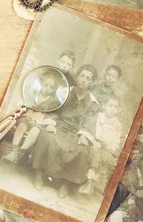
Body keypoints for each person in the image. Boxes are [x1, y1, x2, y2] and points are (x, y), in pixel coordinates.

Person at [30, 64, 100, 199]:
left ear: (92, 82)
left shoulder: (92, 102)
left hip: (76, 132)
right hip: (59, 125)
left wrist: (85, 134)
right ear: (78, 77)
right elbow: (52, 109)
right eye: (82, 76)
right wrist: (51, 123)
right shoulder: (64, 92)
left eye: (88, 78)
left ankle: (66, 184)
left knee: (82, 149)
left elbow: (90, 123)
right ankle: (38, 174)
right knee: (46, 136)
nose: (84, 80)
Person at [2, 68, 63, 164]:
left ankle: (20, 152)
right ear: (41, 84)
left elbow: (51, 116)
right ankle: (13, 152)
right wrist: (27, 116)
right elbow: (23, 106)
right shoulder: (32, 94)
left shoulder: (53, 102)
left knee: (35, 131)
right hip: (26, 118)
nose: (48, 88)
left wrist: (38, 121)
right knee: (21, 126)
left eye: (51, 87)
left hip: (38, 122)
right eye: (46, 85)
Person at [78, 96, 122, 195]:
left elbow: (116, 140)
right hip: (93, 142)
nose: (112, 109)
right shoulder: (98, 117)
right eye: (110, 105)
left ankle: (90, 183)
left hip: (106, 147)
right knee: (96, 153)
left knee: (106, 157)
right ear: (104, 106)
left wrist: (110, 147)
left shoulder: (117, 124)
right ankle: (88, 183)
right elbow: (88, 128)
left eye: (115, 107)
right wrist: (94, 141)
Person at [120, 143, 143, 222]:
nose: (135, 156)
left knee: (141, 198)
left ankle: (141, 220)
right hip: (136, 193)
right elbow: (127, 185)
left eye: (137, 153)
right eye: (133, 154)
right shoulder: (127, 169)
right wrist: (135, 192)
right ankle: (142, 220)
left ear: (141, 155)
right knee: (136, 202)